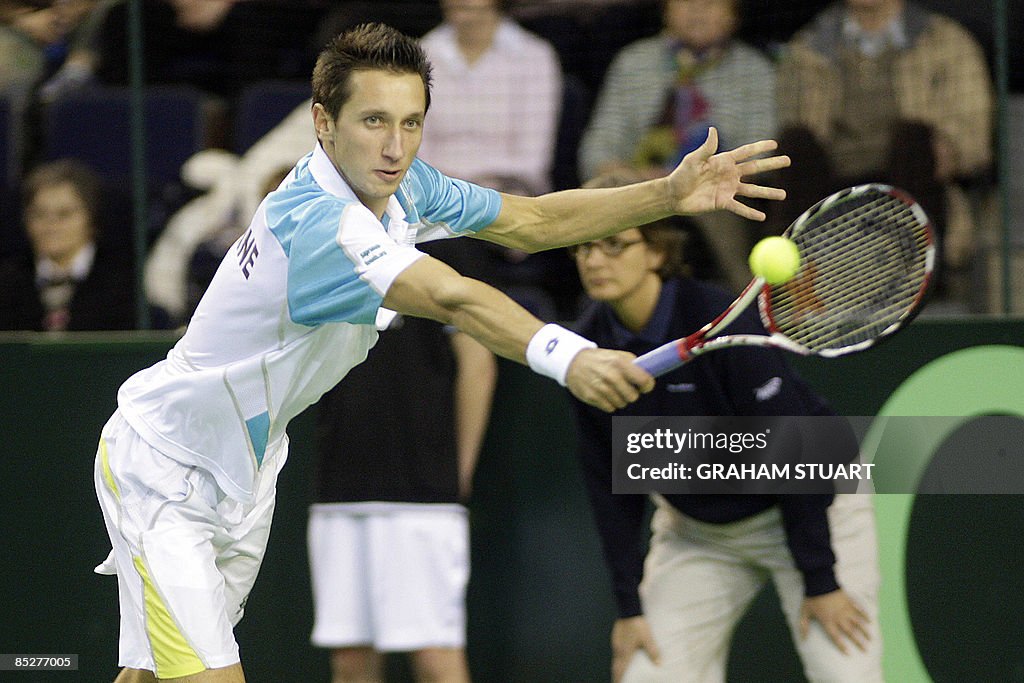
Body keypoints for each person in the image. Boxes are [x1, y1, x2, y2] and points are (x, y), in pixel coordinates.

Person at [92, 22, 789, 682]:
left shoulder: (404, 186)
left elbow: (532, 220)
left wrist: (666, 193)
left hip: (244, 471)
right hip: (168, 464)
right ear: (323, 122)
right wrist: (569, 355)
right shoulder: (320, 224)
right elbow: (453, 297)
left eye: (411, 122)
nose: (395, 147)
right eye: (374, 121)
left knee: (153, 670)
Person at [566, 169, 883, 682]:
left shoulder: (718, 317)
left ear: (656, 251)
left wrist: (821, 579)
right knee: (647, 676)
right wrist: (629, 609)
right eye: (583, 246)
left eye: (613, 244)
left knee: (845, 674)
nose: (595, 260)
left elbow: (794, 446)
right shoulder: (586, 353)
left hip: (816, 503)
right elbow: (609, 485)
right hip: (700, 533)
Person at [308, 238, 496, 683]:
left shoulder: (449, 248)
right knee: (350, 660)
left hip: (422, 492)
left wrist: (457, 471)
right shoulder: (324, 242)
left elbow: (478, 363)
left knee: (435, 655)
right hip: (339, 485)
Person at [773, 0, 994, 297]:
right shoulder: (808, 47)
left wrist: (950, 149)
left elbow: (975, 137)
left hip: (912, 175)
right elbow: (791, 125)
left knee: (915, 140)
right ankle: (797, 289)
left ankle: (920, 280)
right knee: (795, 145)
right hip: (832, 178)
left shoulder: (945, 40)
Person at [578, 0, 777, 292]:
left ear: (734, 13)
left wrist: (696, 178)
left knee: (716, 202)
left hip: (716, 196)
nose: (698, 9)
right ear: (666, 9)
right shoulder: (633, 62)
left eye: (710, 2)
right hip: (638, 192)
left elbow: (761, 153)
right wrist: (642, 181)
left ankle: (739, 303)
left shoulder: (755, 70)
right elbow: (597, 149)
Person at [0, 158, 135, 331]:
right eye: (39, 214)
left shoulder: (126, 282)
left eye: (64, 214)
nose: (50, 225)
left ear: (91, 218)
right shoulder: (7, 284)